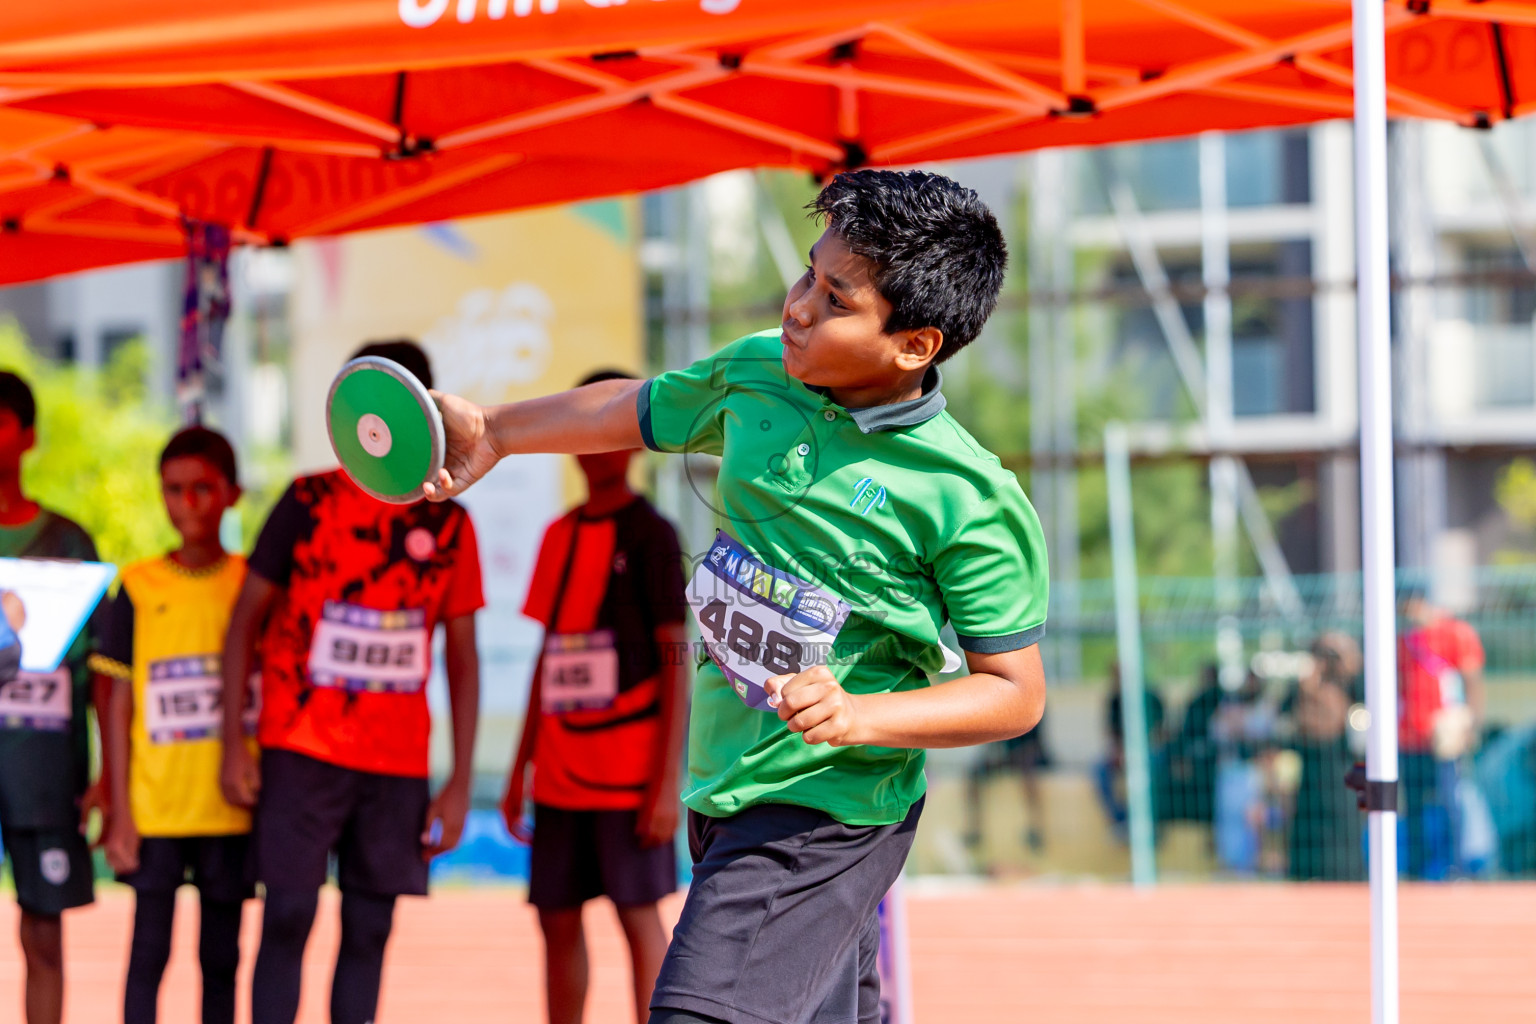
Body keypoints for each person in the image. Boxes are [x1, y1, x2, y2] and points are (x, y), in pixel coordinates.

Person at [425, 169, 1049, 1024]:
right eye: (807, 273)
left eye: (836, 298)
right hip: (723, 784)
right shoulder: (759, 373)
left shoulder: (968, 497)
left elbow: (1015, 693)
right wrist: (498, 430)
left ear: (915, 346)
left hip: (826, 808)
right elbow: (633, 410)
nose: (797, 306)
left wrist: (860, 717)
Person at [219, 340, 485, 1024]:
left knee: (369, 930)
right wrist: (232, 744)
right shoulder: (307, 500)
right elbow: (244, 620)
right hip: (300, 748)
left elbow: (462, 656)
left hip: (394, 763)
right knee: (288, 914)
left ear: (424, 411)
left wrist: (457, 782)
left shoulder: (448, 522)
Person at [503, 369, 690, 1024]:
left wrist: (667, 784)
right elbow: (547, 659)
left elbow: (677, 664)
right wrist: (519, 765)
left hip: (629, 777)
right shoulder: (557, 535)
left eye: (611, 431)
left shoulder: (654, 537)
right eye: (587, 432)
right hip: (557, 776)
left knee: (639, 919)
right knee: (555, 919)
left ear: (633, 442)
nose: (598, 447)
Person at [90, 427, 253, 1024]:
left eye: (203, 489)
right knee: (148, 953)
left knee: (221, 957)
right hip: (155, 808)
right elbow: (116, 700)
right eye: (174, 490)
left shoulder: (251, 584)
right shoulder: (136, 586)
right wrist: (119, 806)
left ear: (233, 494)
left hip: (228, 808)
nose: (188, 504)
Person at [0, 371, 102, 1024]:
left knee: (43, 932)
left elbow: (99, 677)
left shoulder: (69, 545)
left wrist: (104, 780)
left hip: (44, 771)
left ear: (27, 437)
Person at [1398, 590, 1485, 880]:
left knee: (1451, 801)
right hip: (1410, 736)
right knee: (1413, 806)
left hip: (1443, 734)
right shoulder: (1403, 639)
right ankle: (1417, 868)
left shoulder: (1455, 633)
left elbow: (1472, 680)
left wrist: (1470, 723)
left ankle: (1457, 867)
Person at [1284, 633, 1365, 881]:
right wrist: (1307, 680)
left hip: (1344, 764)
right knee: (1308, 824)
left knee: (1345, 823)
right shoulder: (1303, 685)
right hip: (1312, 767)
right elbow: (1286, 715)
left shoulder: (1353, 684)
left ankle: (1346, 875)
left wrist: (1350, 662)